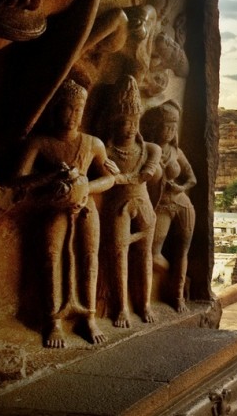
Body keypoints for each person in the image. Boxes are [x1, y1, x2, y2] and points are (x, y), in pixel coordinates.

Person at [14, 79, 117, 348]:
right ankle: (53, 319)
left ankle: (89, 315)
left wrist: (84, 188)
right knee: (50, 256)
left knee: (89, 257)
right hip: (54, 206)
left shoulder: (93, 144)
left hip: (85, 208)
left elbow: (109, 179)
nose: (72, 116)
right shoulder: (41, 143)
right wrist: (51, 178)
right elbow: (17, 180)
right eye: (67, 109)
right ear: (55, 110)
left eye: (78, 110)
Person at [99, 75, 161, 328]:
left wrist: (120, 177)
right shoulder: (106, 150)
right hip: (118, 208)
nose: (131, 127)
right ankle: (121, 306)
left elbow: (146, 174)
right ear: (115, 124)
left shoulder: (151, 149)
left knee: (144, 254)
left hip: (143, 204)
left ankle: (144, 304)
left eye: (135, 122)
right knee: (118, 255)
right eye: (125, 122)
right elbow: (104, 179)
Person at [141, 99, 196, 312]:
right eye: (166, 125)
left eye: (174, 126)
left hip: (182, 204)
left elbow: (192, 179)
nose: (170, 131)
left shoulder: (176, 153)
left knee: (183, 251)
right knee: (153, 253)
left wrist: (180, 187)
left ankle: (177, 294)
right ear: (156, 127)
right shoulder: (147, 150)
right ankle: (176, 279)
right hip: (159, 205)